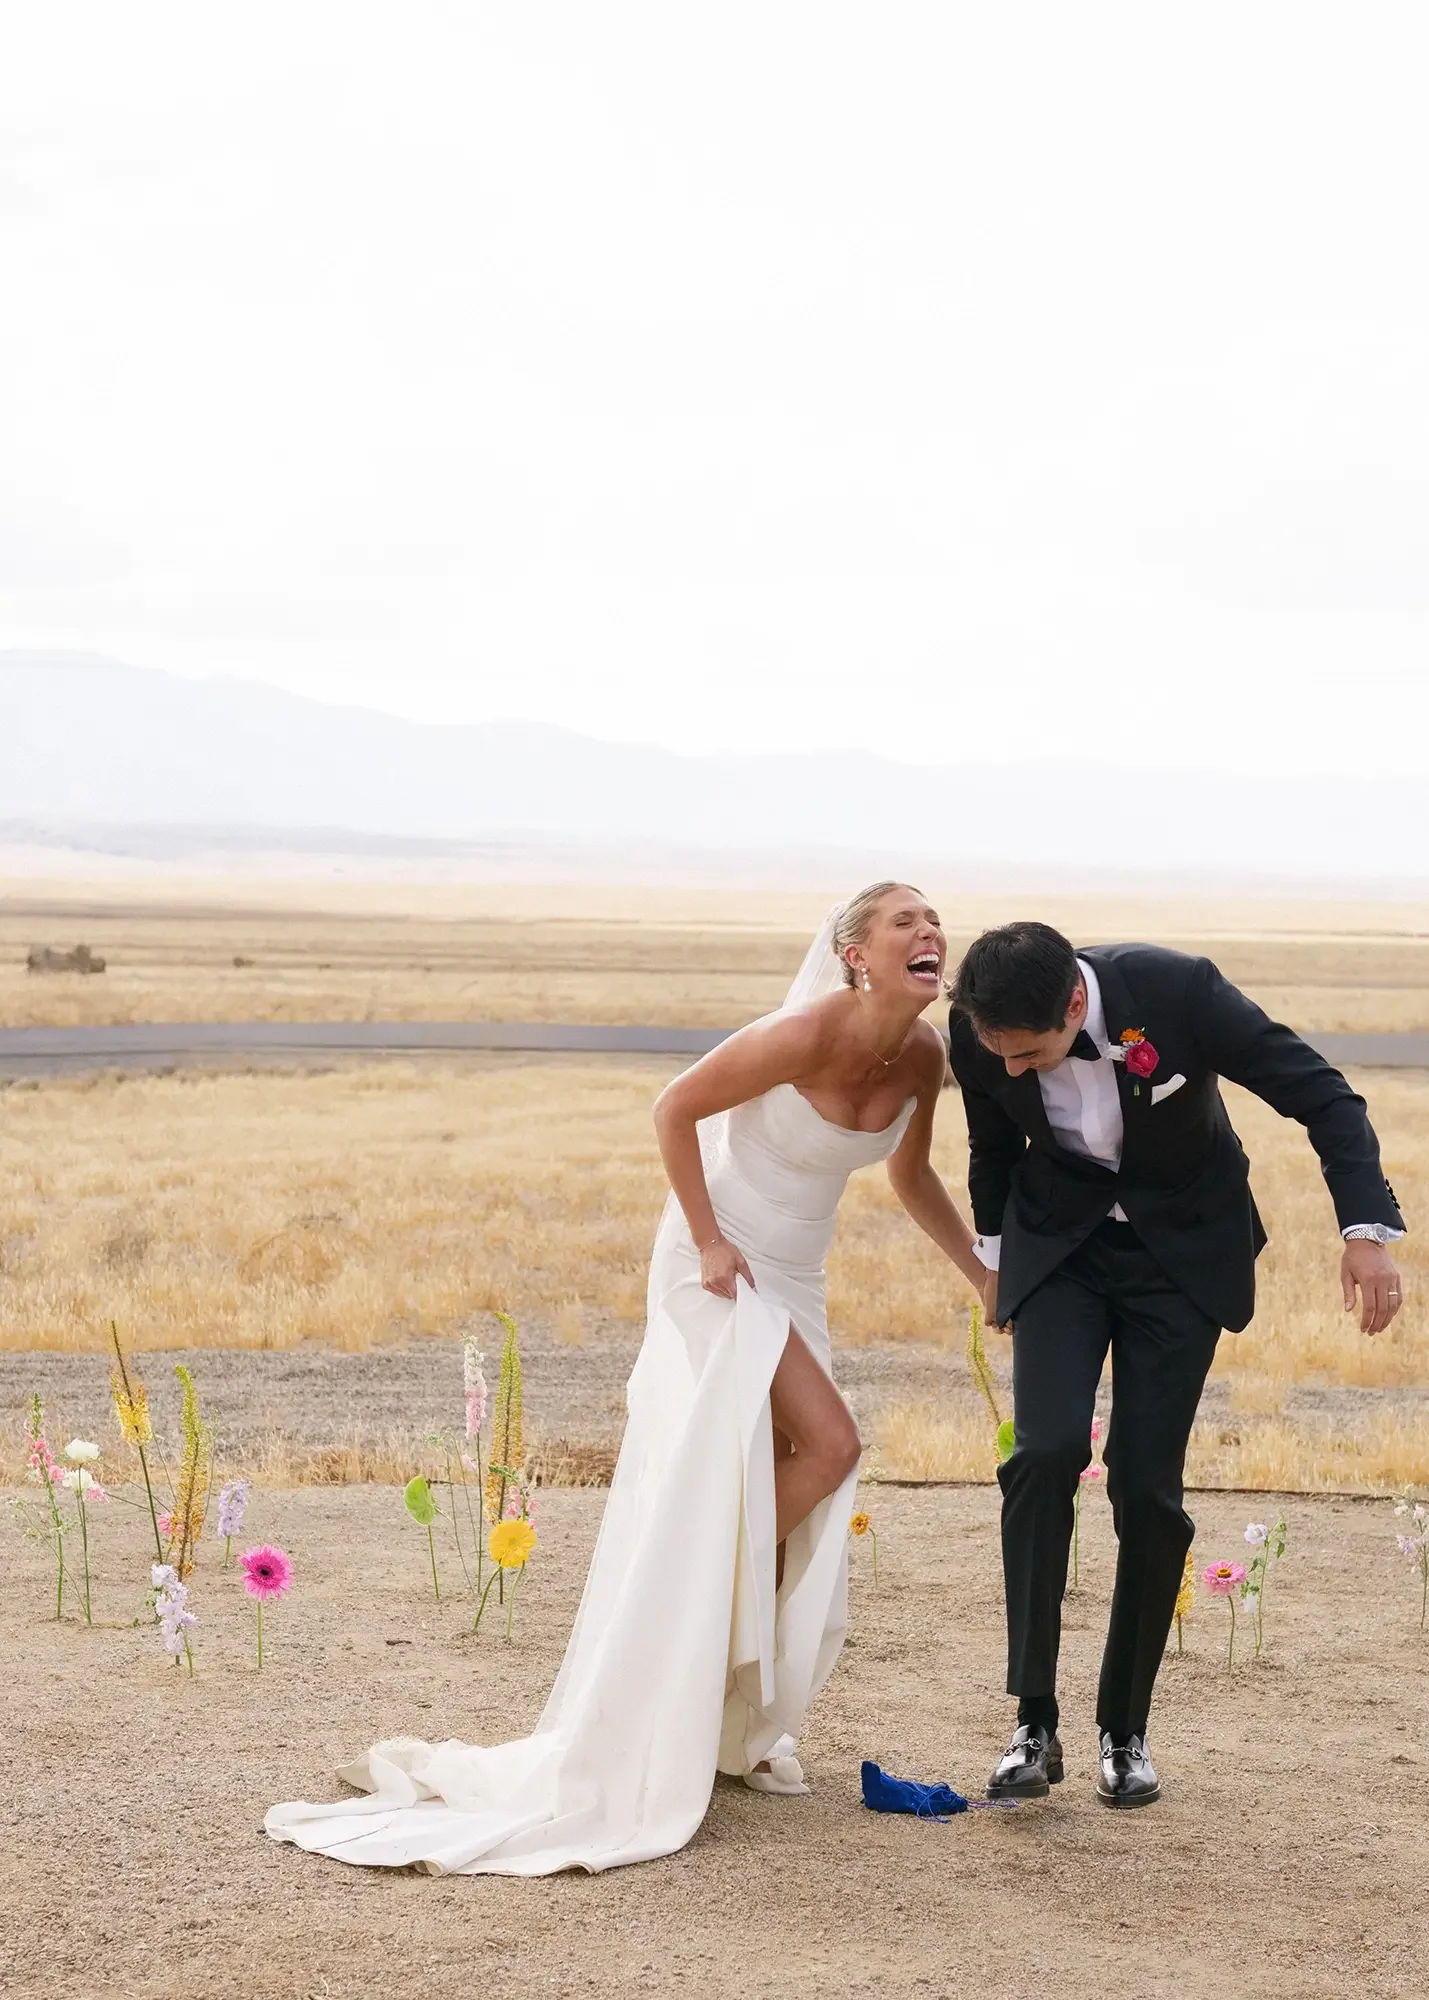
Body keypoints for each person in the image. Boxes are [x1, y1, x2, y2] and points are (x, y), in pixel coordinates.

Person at [266, 882, 987, 1875]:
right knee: (832, 1446)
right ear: (855, 952)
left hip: (797, 1275)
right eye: (904, 920)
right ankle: (681, 1606)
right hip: (719, 1261)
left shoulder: (923, 1057)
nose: (929, 932)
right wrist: (706, 1241)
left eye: (934, 920)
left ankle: (721, 1713)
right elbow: (675, 1105)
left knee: (781, 1465)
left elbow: (911, 1178)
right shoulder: (799, 1032)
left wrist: (981, 1273)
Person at [947, 922, 1405, 1810]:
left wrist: (1366, 1234)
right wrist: (995, 1262)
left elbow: (1324, 1096)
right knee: (1040, 1456)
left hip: (1180, 1257)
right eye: (997, 1054)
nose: (1011, 1071)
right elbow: (991, 1146)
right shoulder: (979, 1032)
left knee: (1143, 1488)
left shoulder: (1179, 992)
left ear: (1076, 1004)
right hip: (1062, 1251)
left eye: (1030, 1054)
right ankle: (1031, 1724)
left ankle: (1125, 1729)